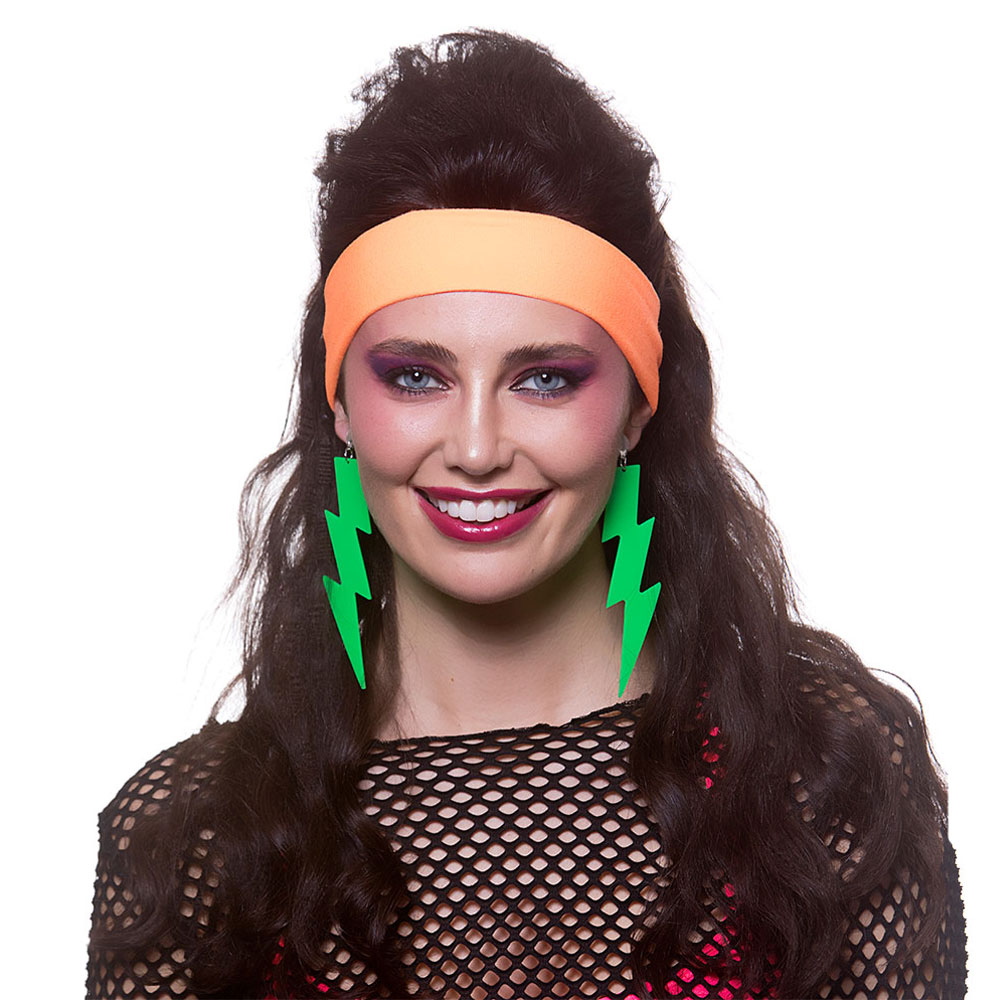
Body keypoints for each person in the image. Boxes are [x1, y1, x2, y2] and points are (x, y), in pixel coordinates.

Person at [86, 28, 967, 1000]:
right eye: (415, 376)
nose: (475, 447)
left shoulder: (822, 779)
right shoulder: (194, 844)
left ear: (637, 404)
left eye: (544, 378)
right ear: (339, 400)